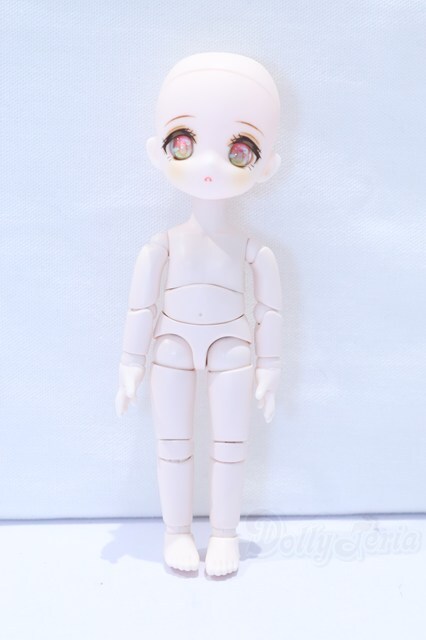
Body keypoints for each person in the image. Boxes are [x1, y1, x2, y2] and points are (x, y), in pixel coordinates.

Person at [116, 52, 282, 576]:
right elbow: (141, 306)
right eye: (183, 143)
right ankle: (177, 532)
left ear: (267, 165)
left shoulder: (255, 249)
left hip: (233, 347)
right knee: (173, 445)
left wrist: (271, 366)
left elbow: (270, 310)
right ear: (157, 151)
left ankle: (226, 534)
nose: (209, 165)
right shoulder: (160, 245)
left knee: (231, 446)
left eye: (240, 150)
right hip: (172, 345)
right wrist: (130, 363)